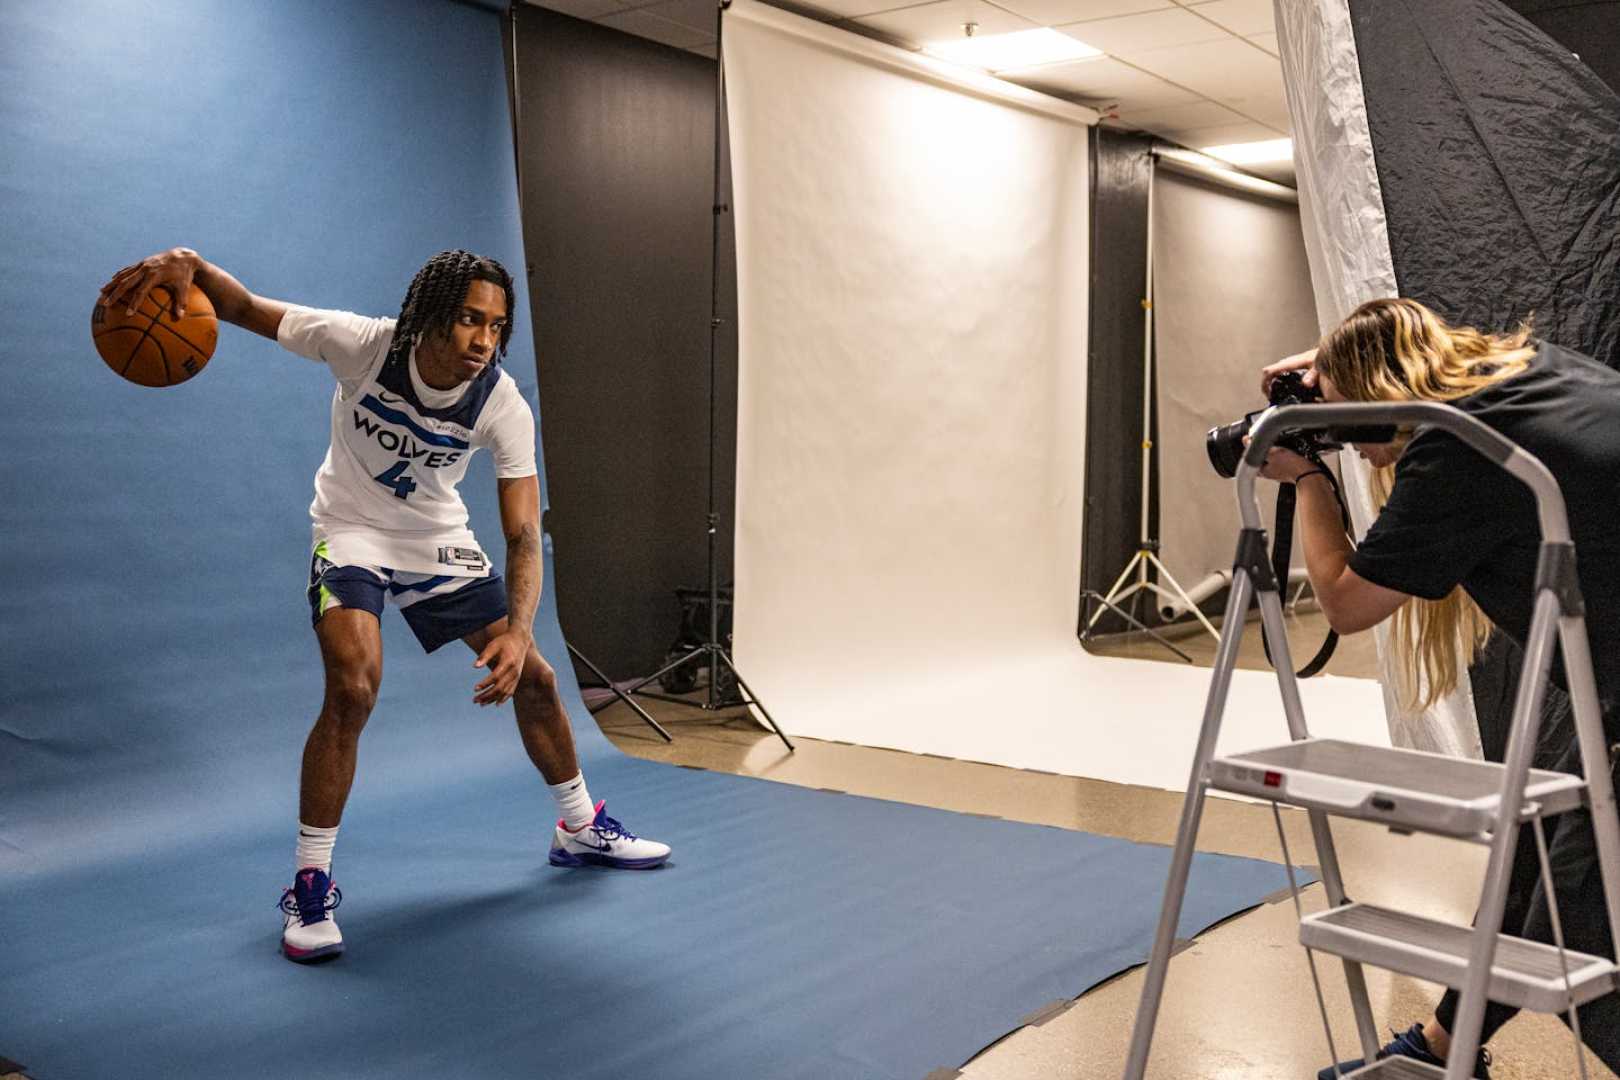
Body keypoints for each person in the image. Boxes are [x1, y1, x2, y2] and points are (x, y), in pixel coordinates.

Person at [99, 248, 670, 964]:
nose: (483, 340)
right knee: (354, 685)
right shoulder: (362, 344)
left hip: (436, 542)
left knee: (539, 680)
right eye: (469, 320)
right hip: (350, 533)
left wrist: (520, 633)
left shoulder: (499, 402)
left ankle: (579, 828)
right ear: (430, 315)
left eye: (496, 326)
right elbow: (245, 309)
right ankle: (310, 882)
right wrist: (187, 266)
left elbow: (525, 531)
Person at [1255, 297, 1620, 1078]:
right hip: (1610, 696)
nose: (1362, 450)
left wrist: (1311, 479)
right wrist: (1329, 365)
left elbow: (1349, 604)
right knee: (1536, 858)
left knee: (1587, 919)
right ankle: (1439, 1053)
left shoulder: (1458, 451)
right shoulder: (1531, 372)